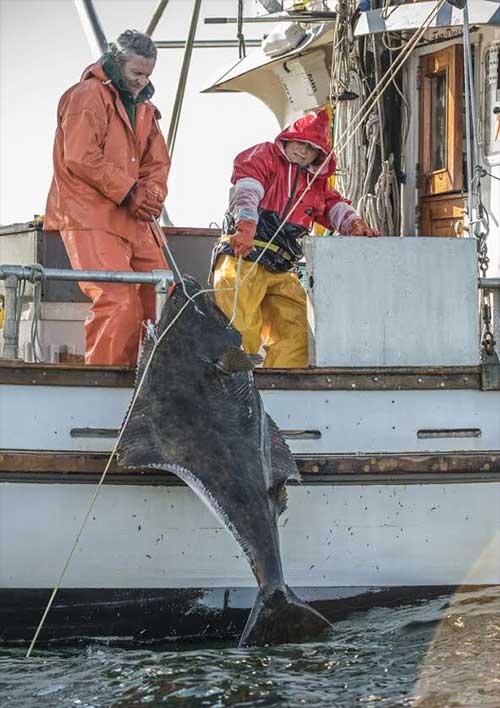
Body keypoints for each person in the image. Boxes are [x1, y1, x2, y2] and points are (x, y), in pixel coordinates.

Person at [212, 108, 379, 369]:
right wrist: (246, 224)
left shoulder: (318, 184)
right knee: (239, 327)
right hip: (243, 257)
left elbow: (334, 208)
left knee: (299, 331)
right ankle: (236, 387)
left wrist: (355, 225)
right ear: (288, 138)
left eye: (311, 148)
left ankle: (279, 387)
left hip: (281, 267)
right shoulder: (264, 155)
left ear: (319, 155)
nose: (302, 151)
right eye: (300, 142)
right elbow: (247, 189)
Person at [44, 30, 170, 367]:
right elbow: (80, 156)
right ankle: (103, 382)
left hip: (135, 219)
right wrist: (132, 192)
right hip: (89, 216)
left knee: (165, 301)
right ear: (116, 64)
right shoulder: (87, 95)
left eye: (148, 75)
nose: (142, 82)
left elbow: (157, 164)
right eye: (136, 74)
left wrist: (152, 195)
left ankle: (150, 382)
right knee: (118, 303)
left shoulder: (145, 108)